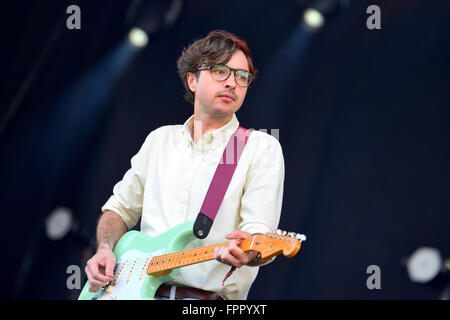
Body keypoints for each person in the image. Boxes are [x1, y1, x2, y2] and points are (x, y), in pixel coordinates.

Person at [84, 30, 285, 300]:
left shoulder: (257, 147)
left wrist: (247, 252)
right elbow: (119, 209)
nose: (233, 83)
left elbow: (258, 230)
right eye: (220, 71)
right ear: (192, 79)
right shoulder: (159, 140)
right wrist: (105, 249)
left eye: (242, 76)